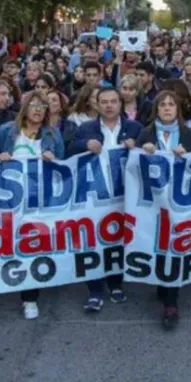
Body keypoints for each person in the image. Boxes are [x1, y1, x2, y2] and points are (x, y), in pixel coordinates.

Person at [66, 88, 140, 312]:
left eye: (113, 101)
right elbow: (68, 151)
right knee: (94, 241)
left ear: (120, 103)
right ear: (97, 105)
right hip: (95, 198)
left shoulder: (134, 128)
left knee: (118, 239)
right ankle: (95, 290)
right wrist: (84, 145)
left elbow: (149, 154)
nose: (109, 106)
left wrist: (136, 147)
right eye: (104, 102)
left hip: (124, 195)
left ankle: (116, 283)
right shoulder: (86, 128)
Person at [0, 91, 63, 319]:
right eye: (33, 105)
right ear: (25, 108)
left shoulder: (53, 134)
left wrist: (55, 161)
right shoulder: (7, 131)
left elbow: (64, 166)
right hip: (10, 202)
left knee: (33, 246)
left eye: (42, 106)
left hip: (39, 202)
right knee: (12, 244)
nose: (37, 110)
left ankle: (30, 298)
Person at [137, 91, 191, 330]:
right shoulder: (146, 133)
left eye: (171, 105)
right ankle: (162, 285)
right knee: (158, 246)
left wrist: (189, 158)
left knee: (174, 247)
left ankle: (171, 305)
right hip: (153, 203)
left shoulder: (190, 136)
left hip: (181, 202)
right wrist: (142, 151)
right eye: (162, 105)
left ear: (178, 109)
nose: (167, 108)